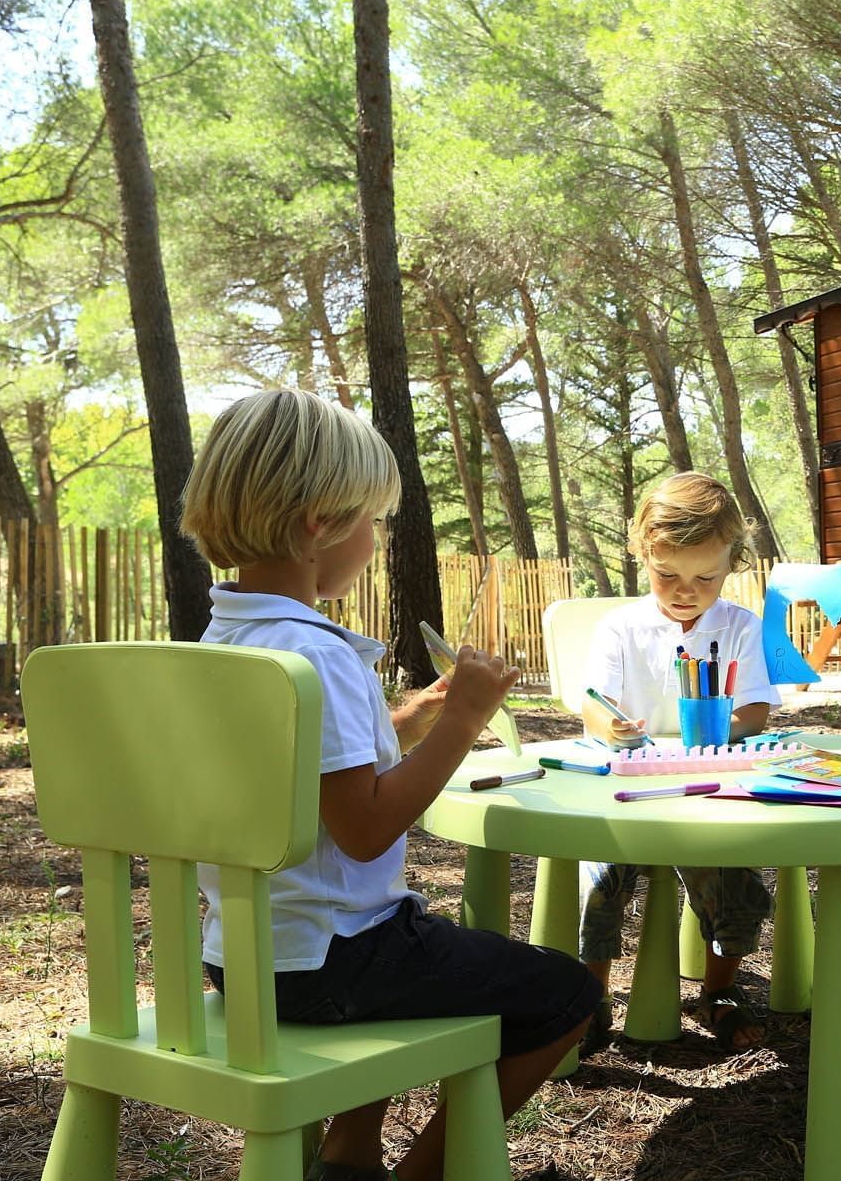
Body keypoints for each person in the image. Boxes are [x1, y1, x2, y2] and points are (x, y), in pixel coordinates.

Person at [180, 389, 597, 1181]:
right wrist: (464, 721)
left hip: (241, 960)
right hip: (332, 964)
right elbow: (366, 828)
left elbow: (300, 768)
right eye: (372, 520)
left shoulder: (225, 636)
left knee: (416, 935)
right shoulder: (320, 652)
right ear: (319, 524)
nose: (375, 539)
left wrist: (409, 717)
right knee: (564, 996)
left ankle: (348, 1151)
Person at [579, 472, 781, 1053]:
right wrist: (612, 725)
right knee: (599, 880)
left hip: (711, 789)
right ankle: (592, 995)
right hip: (630, 787)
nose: (685, 590)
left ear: (732, 564)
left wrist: (718, 730)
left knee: (735, 885)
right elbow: (594, 706)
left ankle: (719, 990)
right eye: (667, 574)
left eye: (705, 577)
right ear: (643, 554)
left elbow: (757, 711)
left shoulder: (739, 626)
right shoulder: (621, 626)